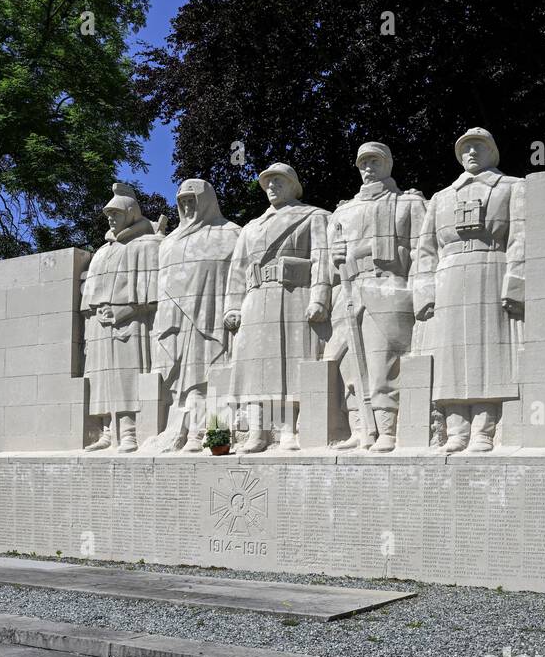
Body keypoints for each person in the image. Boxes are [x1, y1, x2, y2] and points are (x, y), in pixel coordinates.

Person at [414, 128, 525, 452]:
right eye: (465, 148)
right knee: (448, 357)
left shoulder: (513, 187)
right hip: (448, 277)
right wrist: (425, 292)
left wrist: (515, 283)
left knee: (488, 354)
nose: (471, 152)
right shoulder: (441, 197)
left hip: (490, 269)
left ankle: (483, 430)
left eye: (479, 146)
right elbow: (425, 251)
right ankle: (455, 430)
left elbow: (521, 237)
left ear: (493, 152)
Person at [224, 163, 332, 452]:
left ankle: (288, 430)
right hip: (256, 300)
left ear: (293, 186)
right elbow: (237, 270)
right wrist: (232, 307)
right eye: (267, 182)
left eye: (278, 181)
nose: (271, 186)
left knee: (289, 366)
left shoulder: (313, 216)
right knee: (257, 371)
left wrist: (319, 297)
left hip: (293, 294)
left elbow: (323, 259)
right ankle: (258, 431)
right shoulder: (251, 228)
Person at [327, 141, 427, 451]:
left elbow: (423, 252)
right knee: (347, 364)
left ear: (388, 164)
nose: (368, 168)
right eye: (363, 163)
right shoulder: (343, 210)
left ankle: (386, 429)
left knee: (383, 361)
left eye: (375, 161)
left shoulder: (408, 203)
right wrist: (335, 255)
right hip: (348, 287)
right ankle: (359, 428)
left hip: (387, 284)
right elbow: (329, 264)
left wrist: (422, 294)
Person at [150, 178, 240, 451]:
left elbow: (238, 277)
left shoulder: (231, 233)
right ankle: (181, 431)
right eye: (183, 202)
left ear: (207, 202)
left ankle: (206, 433)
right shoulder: (169, 243)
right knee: (183, 381)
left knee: (209, 378)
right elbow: (162, 285)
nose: (188, 207)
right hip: (176, 322)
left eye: (193, 201)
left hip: (212, 318)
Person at [81, 182, 161, 452]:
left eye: (116, 213)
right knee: (101, 379)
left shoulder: (146, 244)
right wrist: (95, 316)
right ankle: (107, 431)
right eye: (108, 215)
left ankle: (128, 432)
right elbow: (89, 296)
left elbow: (151, 294)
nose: (111, 218)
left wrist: (124, 311)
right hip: (100, 324)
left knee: (127, 377)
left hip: (131, 322)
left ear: (130, 213)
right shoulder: (102, 252)